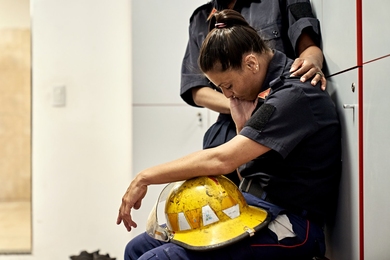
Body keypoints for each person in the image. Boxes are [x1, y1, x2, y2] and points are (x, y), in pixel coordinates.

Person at [117, 9, 341, 260]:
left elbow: (222, 160)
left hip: (292, 223)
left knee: (159, 259)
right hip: (253, 205)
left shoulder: (292, 95)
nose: (226, 95)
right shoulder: (267, 91)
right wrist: (241, 124)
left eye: (228, 85)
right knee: (136, 249)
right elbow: (243, 171)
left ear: (251, 64)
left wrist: (145, 177)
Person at [180, 0, 326, 185]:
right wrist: (238, 104)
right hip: (233, 118)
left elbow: (308, 48)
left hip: (279, 113)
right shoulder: (200, 18)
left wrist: (310, 65)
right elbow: (196, 89)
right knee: (207, 183)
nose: (225, 92)